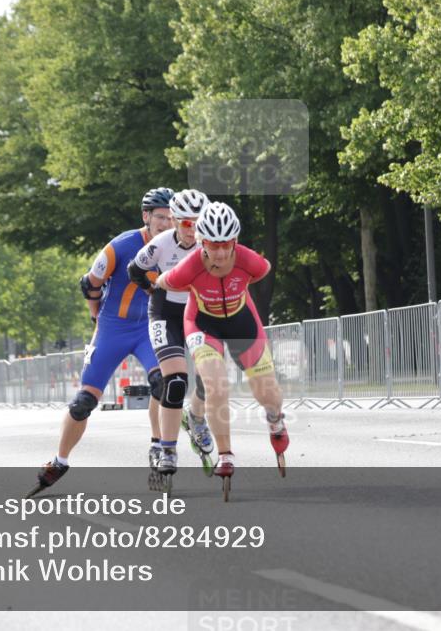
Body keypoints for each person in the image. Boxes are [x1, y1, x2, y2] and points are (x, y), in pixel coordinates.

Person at [27, 188, 175, 495]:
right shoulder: (121, 246)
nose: (166, 223)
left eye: (171, 218)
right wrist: (96, 316)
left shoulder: (177, 246)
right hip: (112, 328)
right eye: (160, 217)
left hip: (148, 327)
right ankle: (59, 461)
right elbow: (89, 283)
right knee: (83, 403)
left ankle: (158, 446)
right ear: (146, 216)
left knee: (163, 384)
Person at [155, 202, 289, 496]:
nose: (220, 252)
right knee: (216, 385)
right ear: (201, 242)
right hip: (202, 324)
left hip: (242, 321)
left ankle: (276, 421)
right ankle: (225, 454)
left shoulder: (249, 261)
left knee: (267, 393)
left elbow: (264, 270)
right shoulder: (189, 267)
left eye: (226, 244)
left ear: (235, 241)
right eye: (213, 245)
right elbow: (164, 281)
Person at [127, 189, 214, 488]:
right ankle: (167, 449)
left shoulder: (210, 245)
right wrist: (150, 288)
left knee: (209, 378)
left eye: (198, 223)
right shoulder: (160, 244)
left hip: (198, 313)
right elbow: (134, 270)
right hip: (165, 313)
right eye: (186, 223)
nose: (192, 230)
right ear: (175, 221)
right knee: (175, 382)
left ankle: (197, 418)